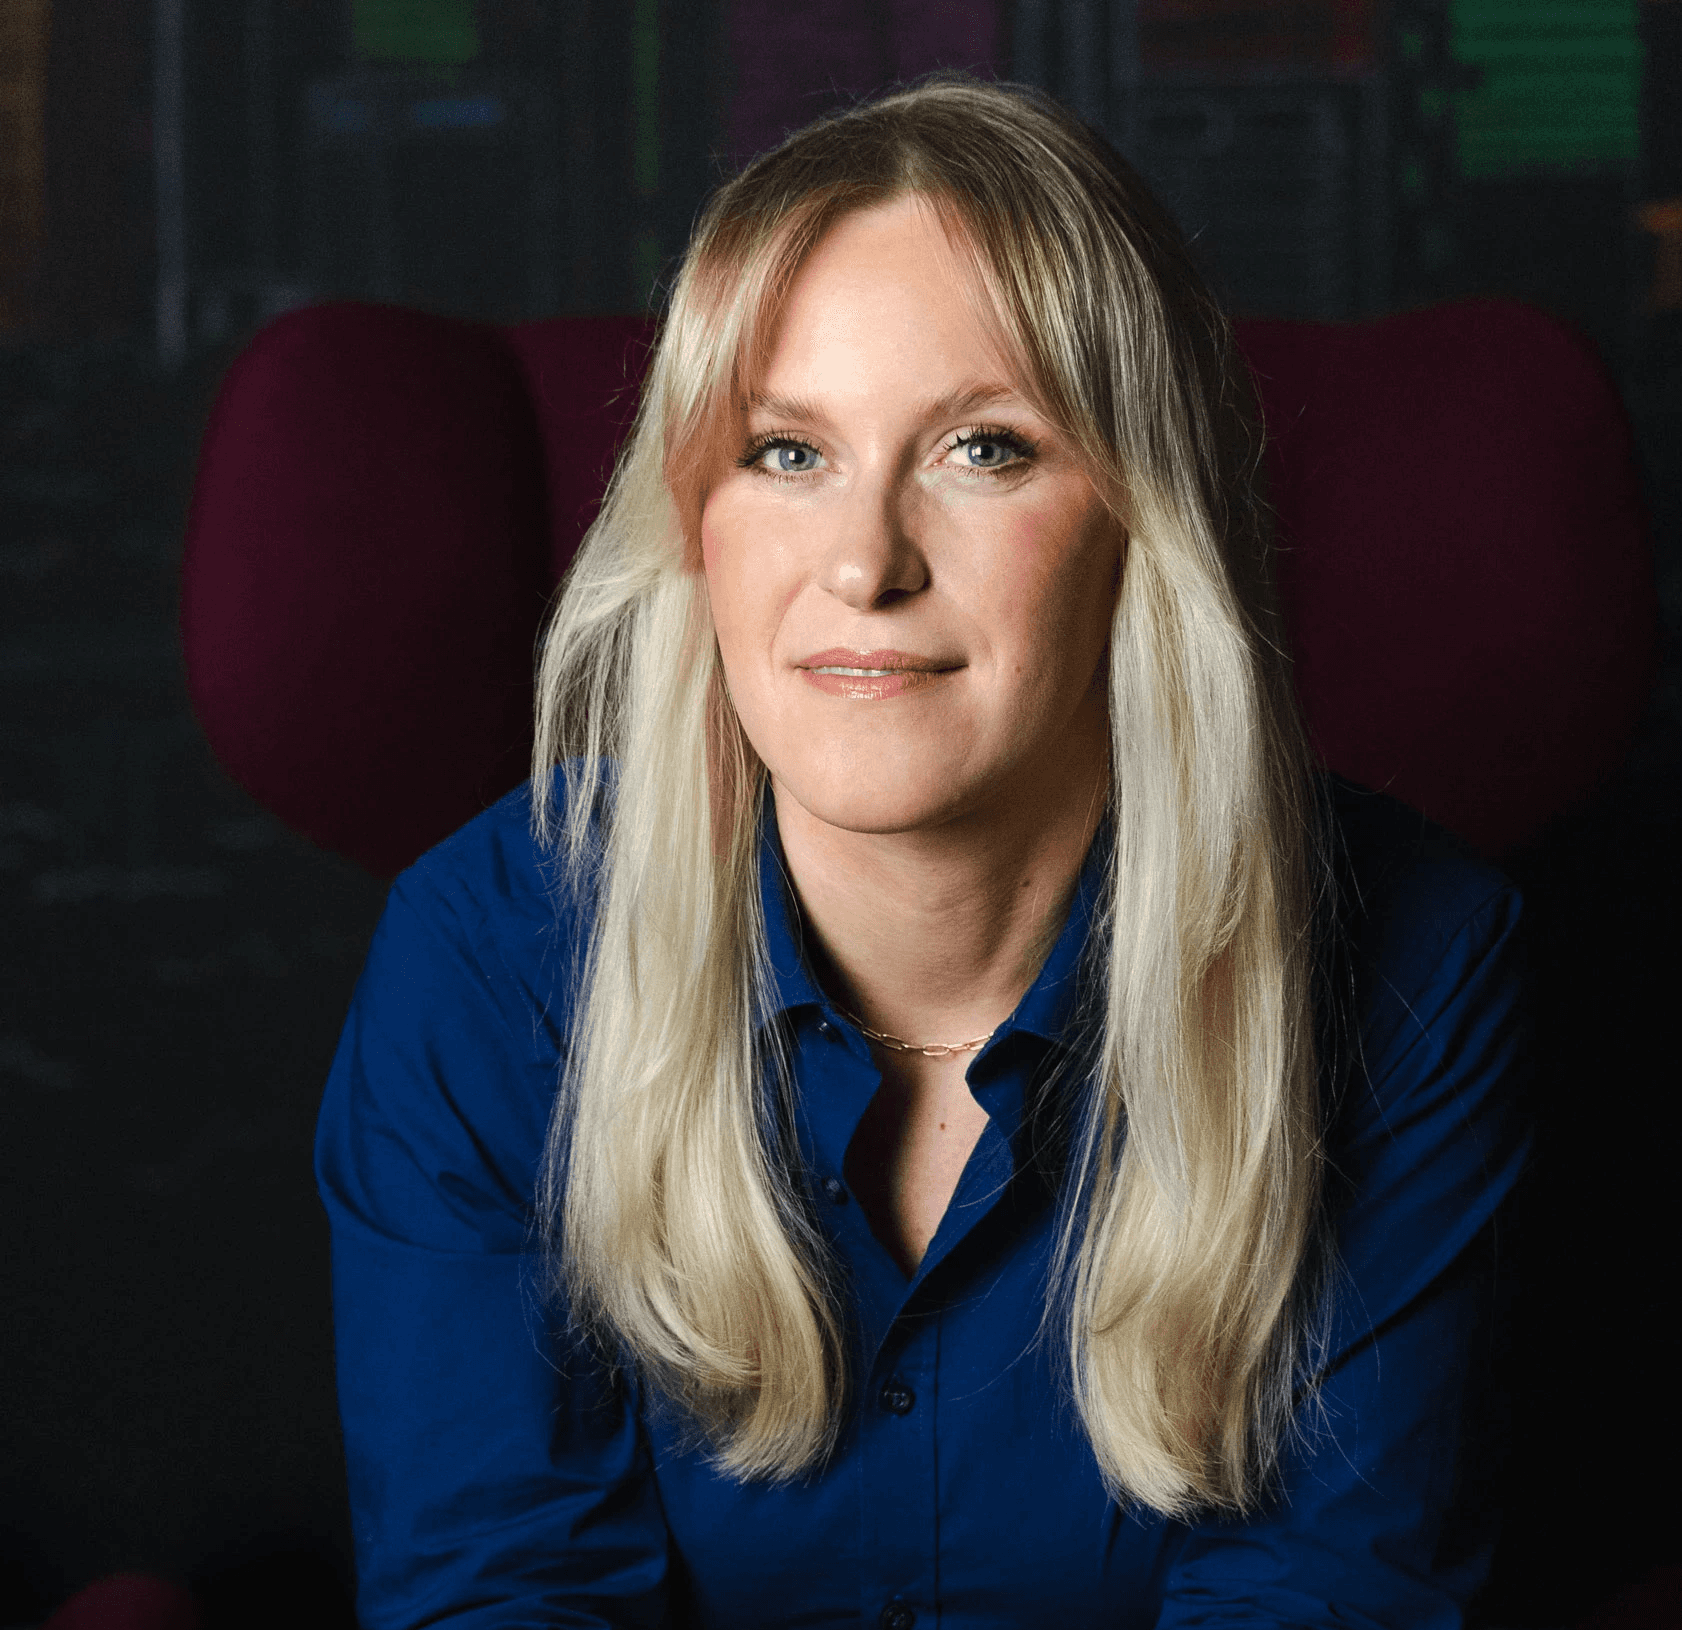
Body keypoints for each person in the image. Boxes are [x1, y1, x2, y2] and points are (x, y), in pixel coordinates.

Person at [316, 76, 1530, 1628]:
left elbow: (1321, 1594)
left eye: (982, 448)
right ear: (692, 518)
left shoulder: (1412, 958)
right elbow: (500, 1591)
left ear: (1141, 521)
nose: (864, 562)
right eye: (786, 451)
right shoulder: (491, 958)